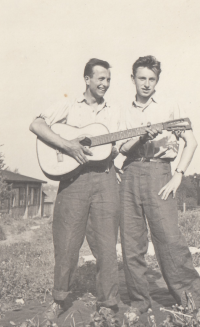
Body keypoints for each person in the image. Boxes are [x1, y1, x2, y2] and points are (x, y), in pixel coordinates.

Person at [29, 58, 120, 319]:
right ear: (87, 79)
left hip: (105, 178)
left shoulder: (115, 111)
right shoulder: (68, 105)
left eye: (109, 80)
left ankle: (108, 304)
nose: (105, 84)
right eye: (100, 78)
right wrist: (68, 145)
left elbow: (119, 147)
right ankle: (60, 299)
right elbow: (36, 125)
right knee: (66, 242)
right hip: (73, 180)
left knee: (106, 245)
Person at [115, 55, 200, 314]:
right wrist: (141, 137)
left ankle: (192, 301)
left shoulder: (169, 106)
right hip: (129, 173)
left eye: (152, 79)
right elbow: (122, 147)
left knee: (169, 239)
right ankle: (140, 303)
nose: (146, 84)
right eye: (142, 78)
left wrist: (178, 175)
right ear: (133, 79)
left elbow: (191, 141)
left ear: (157, 81)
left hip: (159, 173)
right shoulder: (123, 111)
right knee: (131, 242)